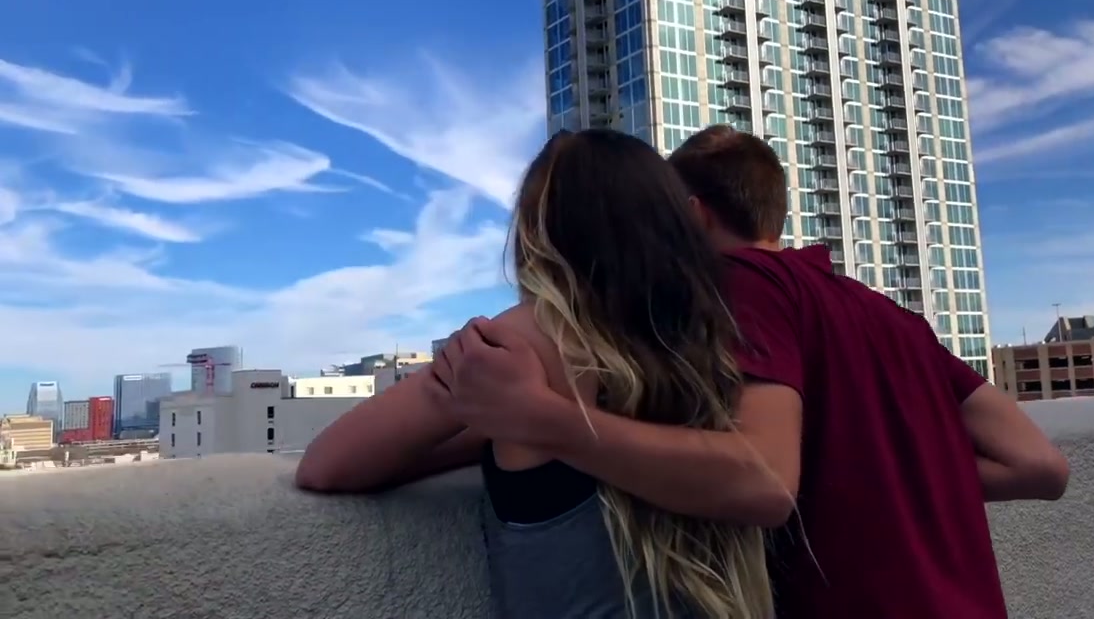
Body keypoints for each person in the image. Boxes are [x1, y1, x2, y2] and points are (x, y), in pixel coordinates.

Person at [430, 125, 1070, 618]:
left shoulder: (740, 287)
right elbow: (1040, 465)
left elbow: (763, 477)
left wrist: (534, 419)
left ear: (691, 214)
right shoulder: (890, 317)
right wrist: (880, 478)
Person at [296, 128, 776, 619]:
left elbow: (324, 465)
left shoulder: (534, 337)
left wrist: (453, 383)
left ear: (540, 232)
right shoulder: (717, 342)